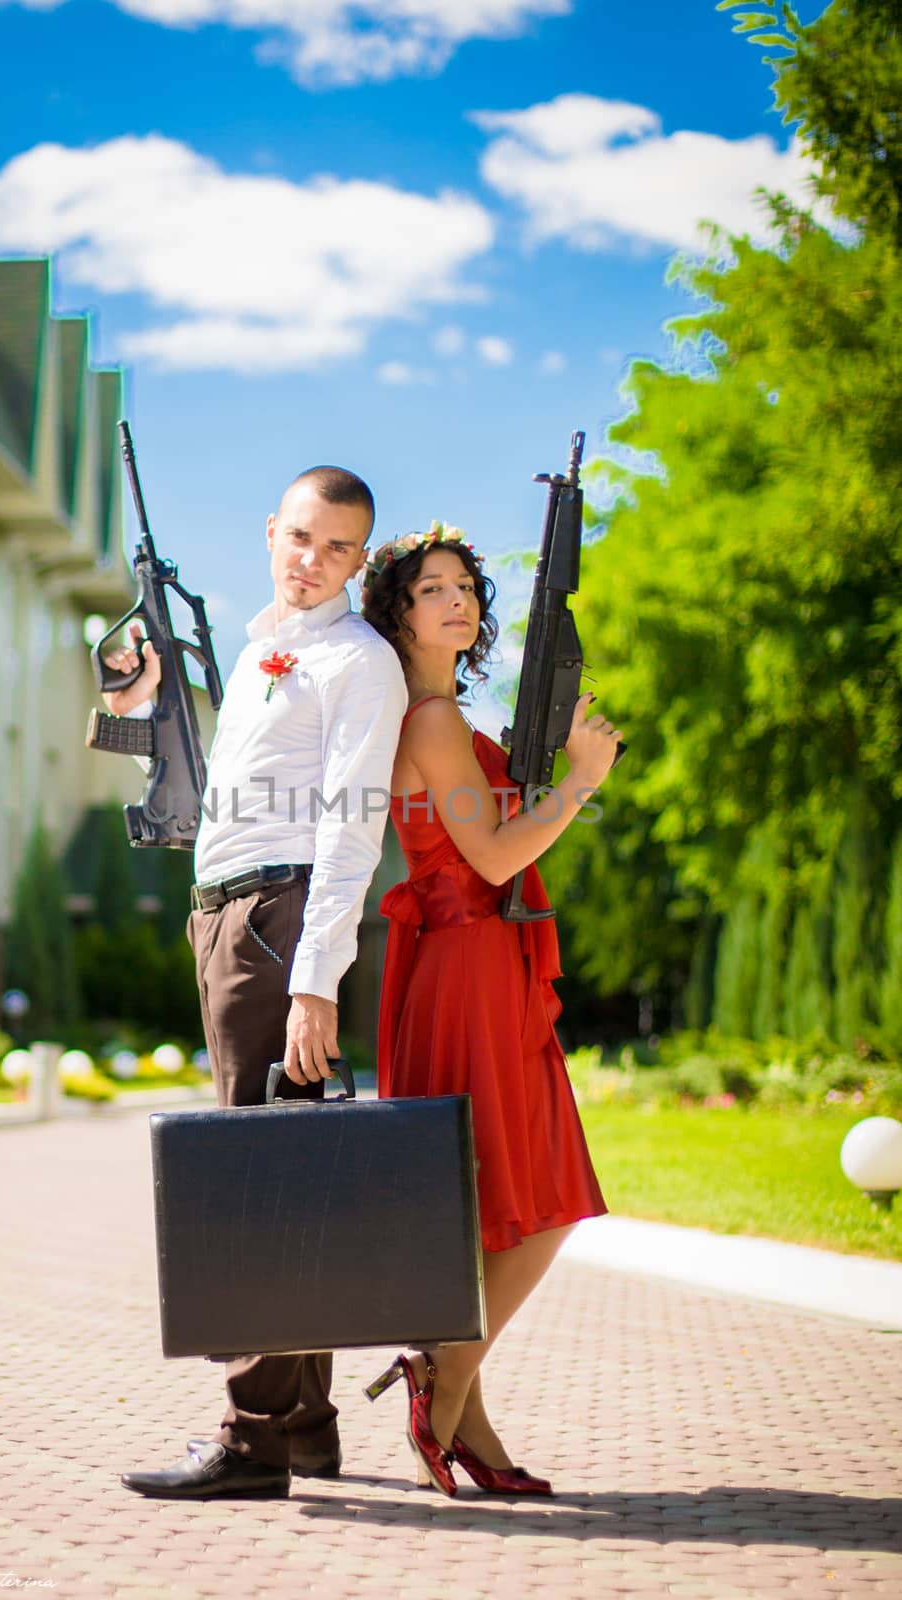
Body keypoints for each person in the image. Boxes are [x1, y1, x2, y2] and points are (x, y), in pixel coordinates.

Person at [111, 466, 407, 1501]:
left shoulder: (356, 661)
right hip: (228, 913)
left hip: (278, 922)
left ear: (357, 560)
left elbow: (348, 824)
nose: (309, 559)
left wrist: (315, 979)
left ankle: (250, 1438)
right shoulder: (252, 647)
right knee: (286, 1165)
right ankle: (308, 1425)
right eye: (297, 537)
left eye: (333, 547)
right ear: (269, 532)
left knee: (253, 1178)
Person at [359, 523, 620, 1498]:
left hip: (478, 963)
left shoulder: (446, 721)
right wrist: (579, 782)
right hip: (466, 965)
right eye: (431, 588)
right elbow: (497, 856)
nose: (456, 599)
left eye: (464, 585)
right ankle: (443, 1372)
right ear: (398, 613)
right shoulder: (427, 721)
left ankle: (461, 1409)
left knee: (508, 1200)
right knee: (534, 1200)